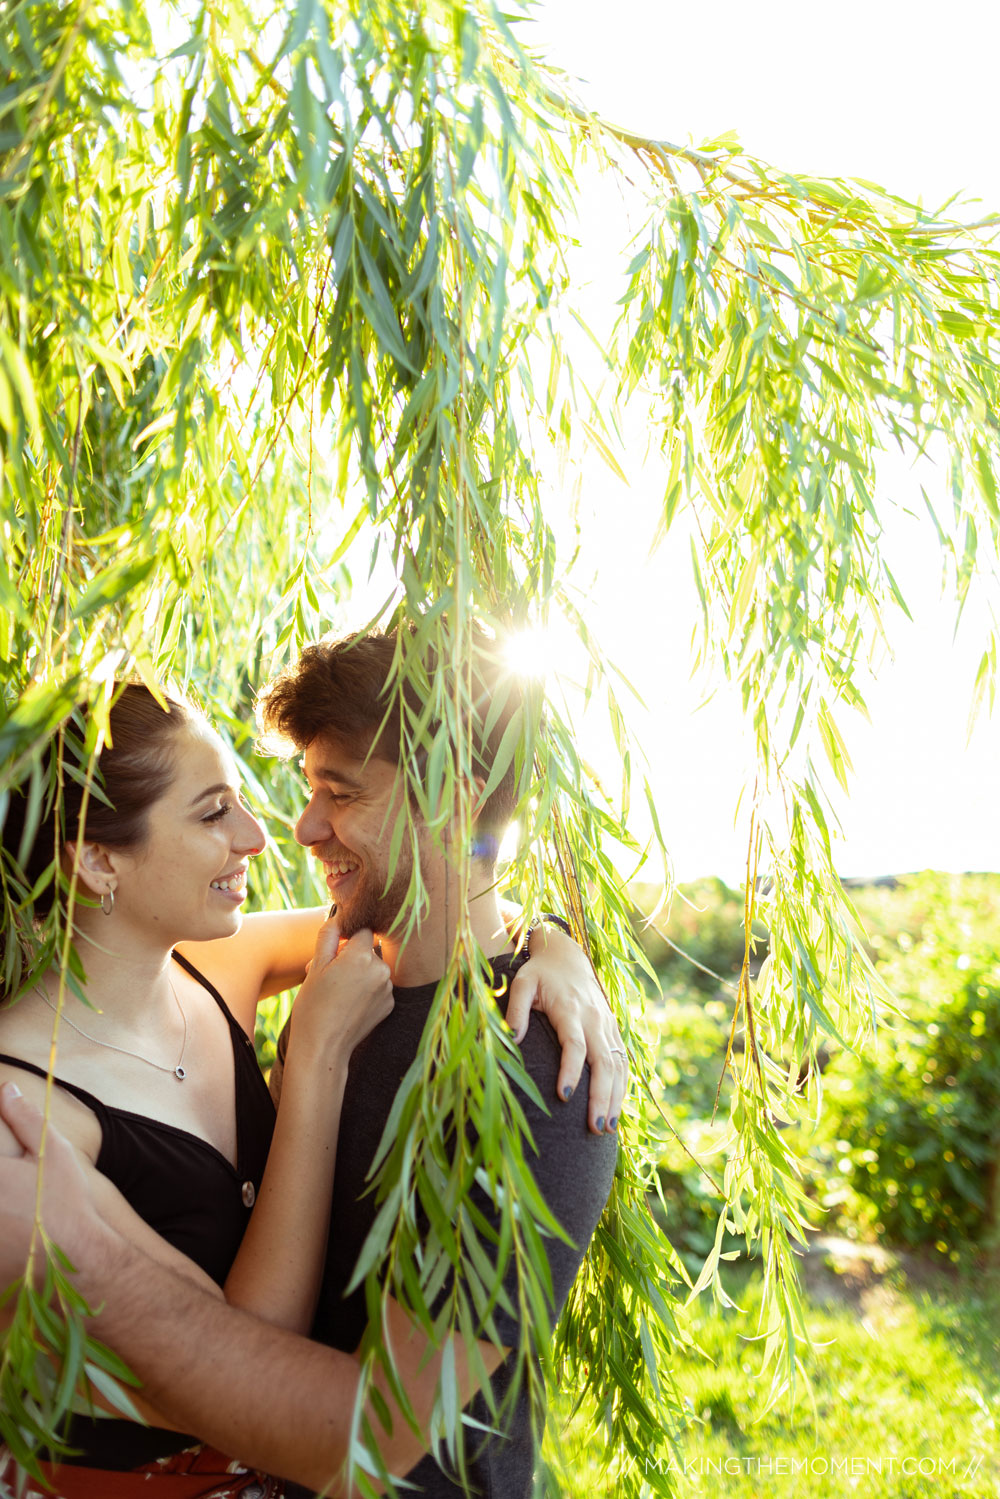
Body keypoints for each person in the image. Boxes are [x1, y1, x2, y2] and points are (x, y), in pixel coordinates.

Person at [0, 673, 624, 1497]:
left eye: (340, 791)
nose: (275, 833)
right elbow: (241, 1349)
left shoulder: (223, 967)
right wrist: (317, 1060)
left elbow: (457, 918)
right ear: (100, 859)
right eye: (214, 810)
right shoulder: (26, 1117)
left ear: (454, 799)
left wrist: (555, 942)